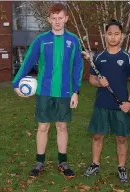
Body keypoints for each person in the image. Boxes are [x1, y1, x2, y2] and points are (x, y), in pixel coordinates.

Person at [12, 3, 83, 178]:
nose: (57, 21)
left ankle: (63, 162)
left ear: (66, 18)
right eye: (54, 18)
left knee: (62, 126)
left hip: (65, 92)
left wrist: (76, 91)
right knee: (43, 126)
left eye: (60, 18)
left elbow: (78, 67)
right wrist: (16, 83)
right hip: (44, 91)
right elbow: (28, 61)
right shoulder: (41, 40)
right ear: (49, 19)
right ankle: (39, 162)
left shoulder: (73, 40)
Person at [82, 20, 130, 184]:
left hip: (121, 106)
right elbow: (92, 79)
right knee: (98, 135)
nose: (113, 37)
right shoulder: (98, 57)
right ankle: (95, 164)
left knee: (121, 138)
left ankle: (121, 167)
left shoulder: (127, 58)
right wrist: (100, 83)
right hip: (101, 104)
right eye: (110, 34)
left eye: (116, 34)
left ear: (122, 35)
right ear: (105, 35)